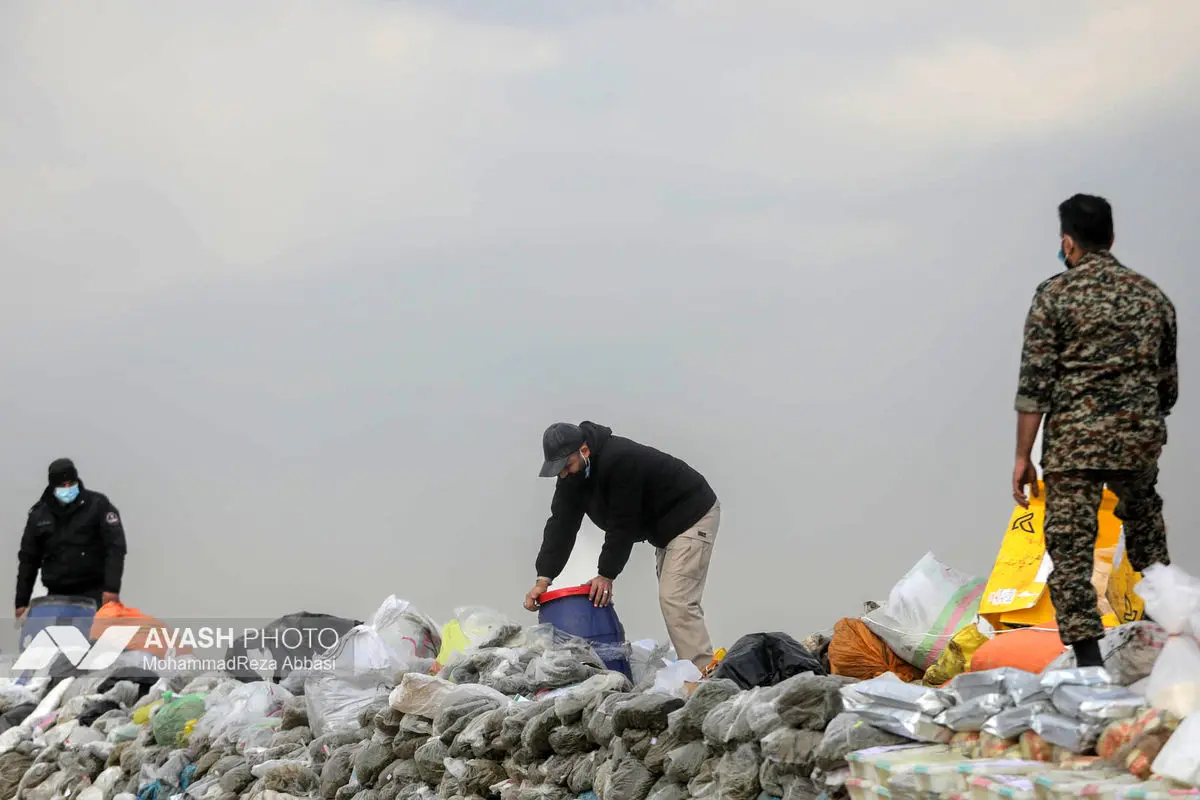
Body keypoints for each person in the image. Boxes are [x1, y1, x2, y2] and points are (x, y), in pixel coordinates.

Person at [1012, 193, 1177, 667]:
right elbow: (1167, 387)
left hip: (1074, 446)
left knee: (1071, 550)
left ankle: (1089, 666)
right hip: (1137, 439)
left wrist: (1023, 457)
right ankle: (1168, 640)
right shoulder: (1152, 297)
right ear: (1112, 237)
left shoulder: (1054, 296)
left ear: (1068, 242)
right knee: (1147, 536)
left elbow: (1035, 387)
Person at [524, 421, 721, 669]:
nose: (563, 474)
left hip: (692, 514)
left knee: (676, 599)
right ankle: (696, 671)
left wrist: (606, 574)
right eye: (558, 470)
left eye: (566, 465)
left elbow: (623, 523)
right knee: (674, 601)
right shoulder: (572, 476)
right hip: (665, 529)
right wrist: (543, 578)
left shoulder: (620, 460)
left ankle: (702, 676)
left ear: (584, 450)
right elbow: (561, 524)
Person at [15, 458, 128, 618]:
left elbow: (115, 547)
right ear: (53, 486)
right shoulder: (39, 515)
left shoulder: (98, 505)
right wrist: (21, 602)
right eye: (62, 485)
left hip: (95, 594)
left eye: (71, 483)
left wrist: (112, 588)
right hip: (56, 596)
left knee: (97, 633)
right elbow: (28, 560)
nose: (67, 488)